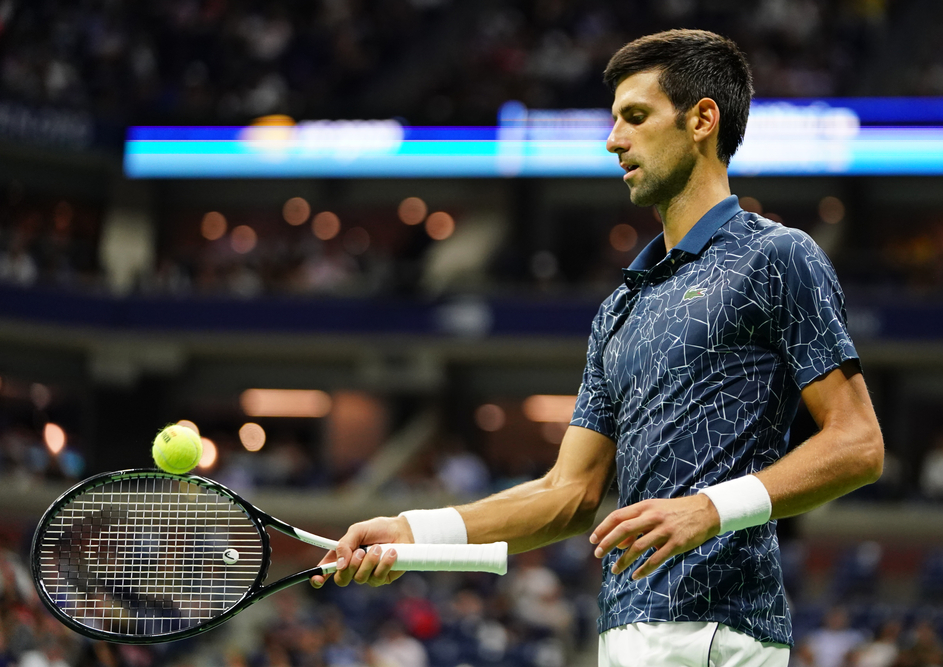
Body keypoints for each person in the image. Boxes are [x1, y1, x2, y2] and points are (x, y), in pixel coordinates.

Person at [311, 29, 883, 666]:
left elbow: (857, 444)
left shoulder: (776, 256)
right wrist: (412, 531)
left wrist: (710, 509)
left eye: (635, 117)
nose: (614, 140)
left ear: (702, 120)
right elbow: (567, 493)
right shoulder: (620, 308)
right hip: (624, 636)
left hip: (720, 633)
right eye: (614, 121)